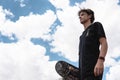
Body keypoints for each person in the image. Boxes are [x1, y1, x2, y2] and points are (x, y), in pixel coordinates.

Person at [78, 9, 108, 80]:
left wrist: (101, 60)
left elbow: (104, 43)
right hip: (82, 74)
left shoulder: (96, 25)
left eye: (82, 14)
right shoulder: (81, 36)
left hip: (94, 70)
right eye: (79, 15)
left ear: (90, 16)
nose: (80, 16)